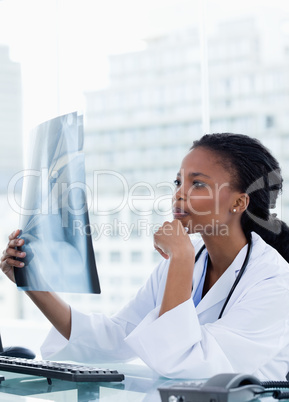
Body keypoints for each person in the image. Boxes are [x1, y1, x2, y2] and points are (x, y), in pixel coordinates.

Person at [1, 132, 289, 381]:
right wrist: (32, 283)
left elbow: (188, 364)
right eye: (178, 182)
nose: (179, 194)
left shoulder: (274, 282)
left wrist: (180, 258)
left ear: (239, 201)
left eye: (197, 184)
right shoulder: (186, 263)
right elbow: (114, 338)